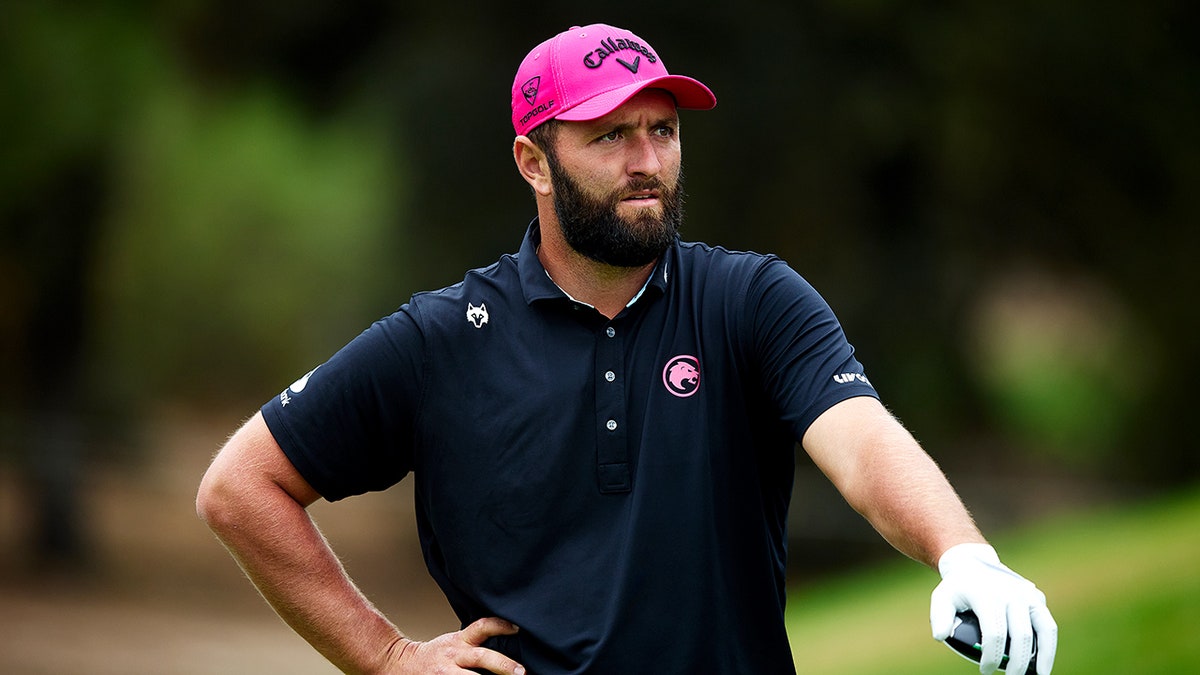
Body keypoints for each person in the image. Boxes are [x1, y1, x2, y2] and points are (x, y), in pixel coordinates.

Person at [197, 23, 1057, 675]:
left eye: (663, 130)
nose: (647, 159)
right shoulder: (444, 337)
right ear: (534, 162)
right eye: (610, 135)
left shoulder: (750, 300)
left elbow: (860, 441)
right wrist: (387, 656)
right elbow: (241, 486)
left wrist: (961, 553)